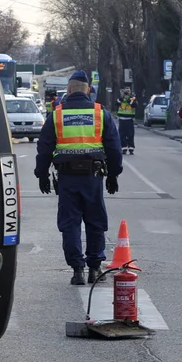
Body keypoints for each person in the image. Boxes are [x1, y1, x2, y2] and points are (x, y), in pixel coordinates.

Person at [34, 70, 123, 286]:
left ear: (69, 89)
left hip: (67, 178)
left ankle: (77, 270)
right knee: (95, 222)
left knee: (70, 223)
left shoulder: (56, 114)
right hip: (93, 178)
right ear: (89, 90)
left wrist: (42, 174)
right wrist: (113, 174)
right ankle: (94, 268)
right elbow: (114, 147)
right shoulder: (100, 113)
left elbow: (44, 147)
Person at [116, 89, 137, 154]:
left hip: (129, 119)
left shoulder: (132, 99)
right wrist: (121, 97)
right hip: (122, 119)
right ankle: (123, 148)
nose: (126, 93)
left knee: (130, 135)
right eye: (126, 91)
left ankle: (131, 148)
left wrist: (130, 99)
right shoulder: (120, 98)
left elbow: (134, 105)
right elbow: (116, 103)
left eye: (128, 91)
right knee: (122, 135)